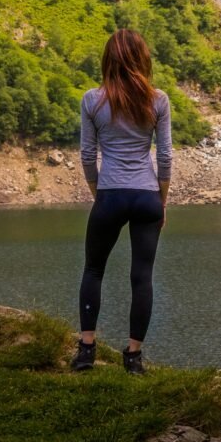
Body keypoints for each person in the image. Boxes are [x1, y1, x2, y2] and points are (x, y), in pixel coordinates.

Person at [70, 28, 172, 375]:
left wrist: (99, 193)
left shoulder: (92, 100)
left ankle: (86, 350)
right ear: (143, 59)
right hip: (147, 196)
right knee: (142, 277)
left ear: (107, 60)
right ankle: (133, 358)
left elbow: (87, 156)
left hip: (110, 195)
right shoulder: (158, 100)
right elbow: (165, 157)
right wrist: (162, 201)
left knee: (93, 270)